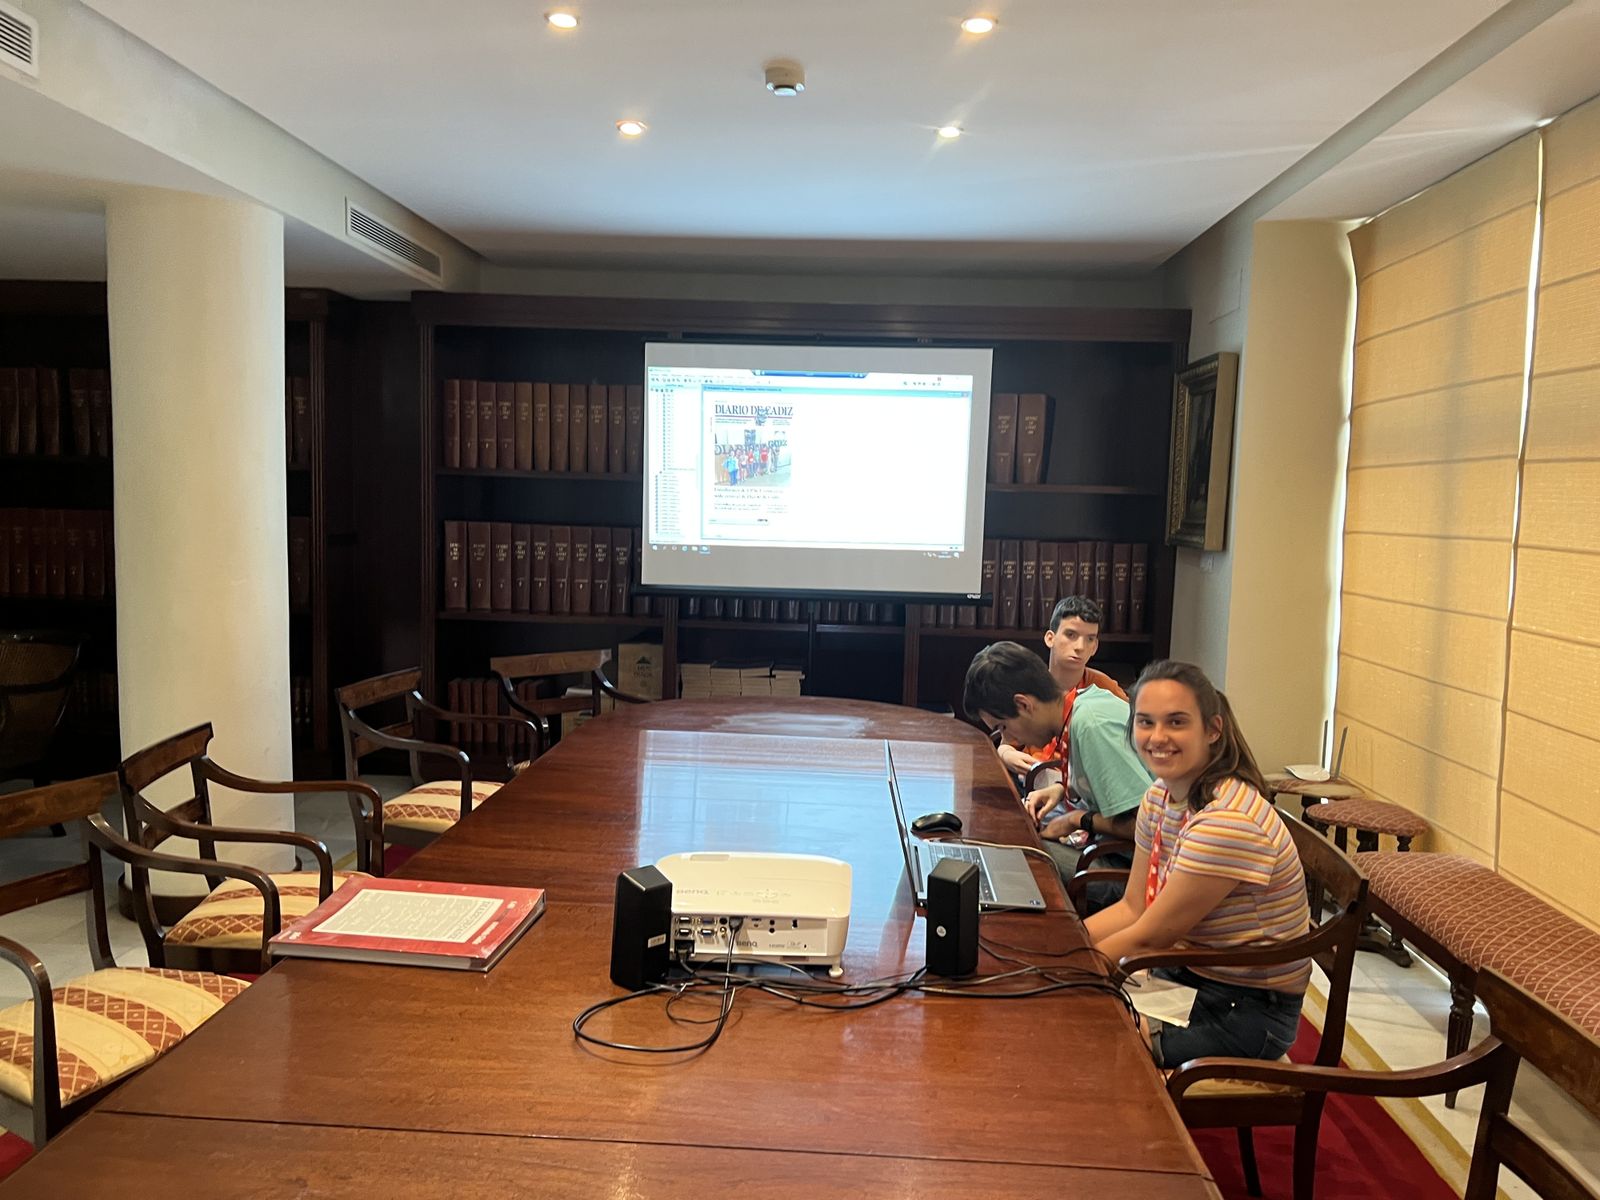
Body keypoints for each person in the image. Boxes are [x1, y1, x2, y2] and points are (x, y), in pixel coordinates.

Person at [1086, 660, 1310, 1068]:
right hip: (1192, 977)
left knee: (1089, 1043)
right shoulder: (1160, 795)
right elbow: (1133, 907)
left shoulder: (1227, 821)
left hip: (1246, 1012)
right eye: (1145, 722)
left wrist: (1070, 974)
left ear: (1212, 730)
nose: (1157, 737)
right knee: (1070, 1016)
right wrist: (1066, 953)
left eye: (1176, 722)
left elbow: (1147, 938)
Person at [962, 640, 1151, 905]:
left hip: (1136, 875)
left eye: (1003, 727)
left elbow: (1150, 826)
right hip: (1112, 854)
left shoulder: (1091, 726)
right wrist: (1061, 789)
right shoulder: (1084, 705)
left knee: (1016, 855)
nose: (1007, 737)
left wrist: (1076, 819)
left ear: (1024, 705)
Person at [995, 595, 1126, 780]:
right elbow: (1006, 744)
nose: (1080, 647)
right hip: (1030, 780)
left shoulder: (1104, 688)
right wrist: (1007, 755)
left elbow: (1131, 736)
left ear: (1095, 647)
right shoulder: (1027, 686)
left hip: (1078, 786)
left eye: (1089, 639)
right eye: (1071, 635)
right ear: (1050, 638)